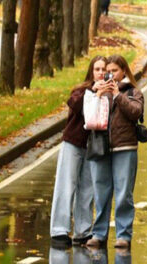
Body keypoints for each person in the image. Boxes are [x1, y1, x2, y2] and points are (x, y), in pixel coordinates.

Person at [86, 55, 145, 250]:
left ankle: (123, 235)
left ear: (124, 72)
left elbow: (136, 112)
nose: (110, 75)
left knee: (123, 194)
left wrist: (118, 95)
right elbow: (87, 115)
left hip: (124, 147)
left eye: (115, 71)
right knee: (101, 192)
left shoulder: (132, 92)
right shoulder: (99, 90)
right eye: (108, 71)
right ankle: (99, 233)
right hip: (101, 148)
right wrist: (97, 94)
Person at [49, 56, 105, 249]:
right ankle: (59, 230)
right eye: (97, 69)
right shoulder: (81, 91)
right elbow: (74, 104)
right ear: (91, 71)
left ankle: (83, 231)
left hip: (93, 147)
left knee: (87, 189)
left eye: (103, 70)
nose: (100, 73)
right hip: (73, 143)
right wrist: (93, 92)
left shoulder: (108, 94)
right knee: (66, 185)